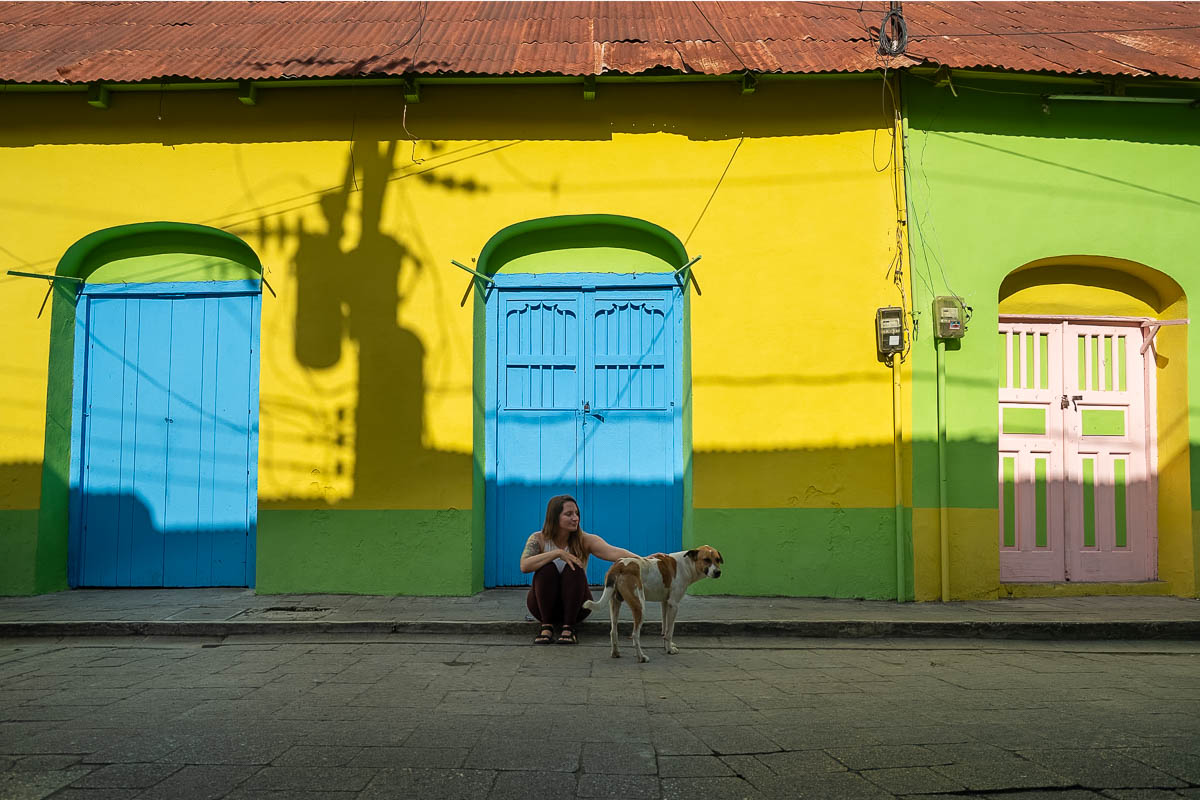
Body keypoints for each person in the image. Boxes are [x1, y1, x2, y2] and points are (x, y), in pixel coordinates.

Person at [520, 494, 639, 645]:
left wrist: (645, 560)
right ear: (554, 517)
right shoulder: (538, 539)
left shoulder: (585, 539)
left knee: (574, 567)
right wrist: (558, 553)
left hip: (577, 608)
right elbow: (524, 566)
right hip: (541, 608)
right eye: (568, 514)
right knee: (547, 568)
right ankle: (546, 626)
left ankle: (569, 628)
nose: (575, 518)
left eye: (576, 514)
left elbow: (614, 552)